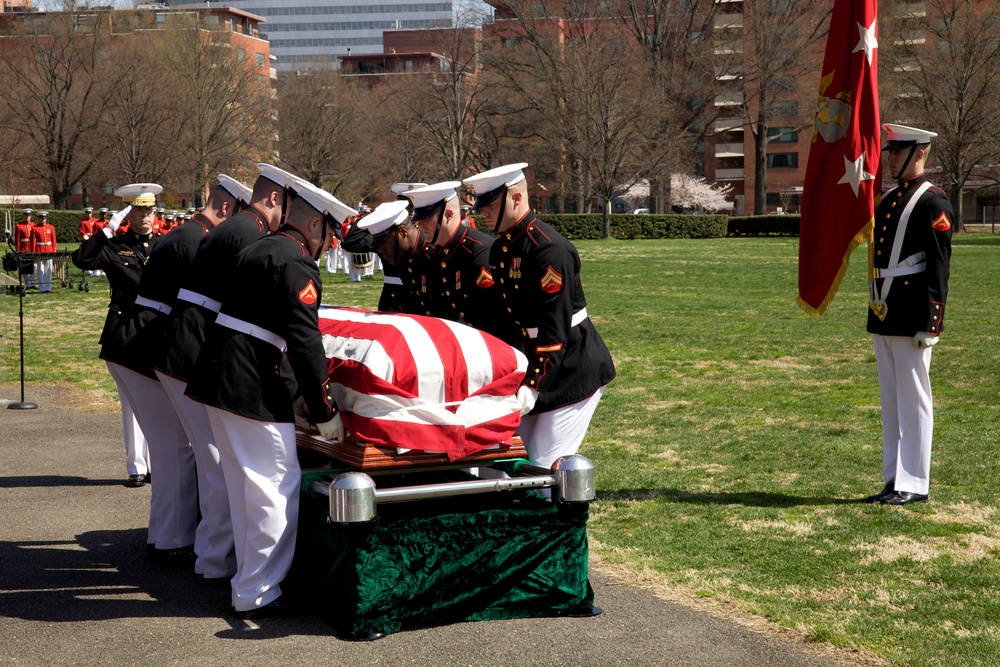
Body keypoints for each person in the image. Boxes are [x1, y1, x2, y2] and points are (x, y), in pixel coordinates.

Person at [186, 177, 355, 619]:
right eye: (329, 234)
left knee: (245, 488)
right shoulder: (296, 262)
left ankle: (246, 578)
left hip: (218, 378)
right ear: (315, 225)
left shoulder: (258, 247)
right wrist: (324, 410)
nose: (327, 244)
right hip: (253, 384)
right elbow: (305, 342)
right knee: (273, 489)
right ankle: (258, 592)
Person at [154, 164, 293, 583]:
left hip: (182, 347)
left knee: (212, 458)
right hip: (191, 351)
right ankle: (215, 560)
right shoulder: (250, 233)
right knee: (216, 462)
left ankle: (212, 555)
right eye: (287, 206)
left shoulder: (237, 228)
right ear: (272, 199)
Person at [107, 176, 250, 565]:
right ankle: (175, 539)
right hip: (142, 347)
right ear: (225, 209)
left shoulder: (185, 234)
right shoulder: (197, 241)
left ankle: (165, 534)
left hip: (130, 343)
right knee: (179, 449)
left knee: (169, 449)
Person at [463, 163, 616, 468]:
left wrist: (534, 384)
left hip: (572, 365)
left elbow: (554, 328)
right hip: (537, 361)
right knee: (510, 454)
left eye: (490, 205)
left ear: (516, 199)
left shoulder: (547, 250)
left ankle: (555, 513)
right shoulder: (503, 248)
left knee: (544, 464)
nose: (483, 214)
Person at [863, 124, 953, 506]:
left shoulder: (933, 201)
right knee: (891, 400)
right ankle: (893, 478)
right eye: (889, 152)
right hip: (885, 309)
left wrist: (931, 323)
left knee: (914, 399)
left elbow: (938, 266)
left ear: (920, 153)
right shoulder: (889, 198)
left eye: (898, 152)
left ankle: (914, 482)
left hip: (912, 311)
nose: (890, 158)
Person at [72, 187, 158, 488]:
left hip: (158, 331)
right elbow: (82, 260)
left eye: (149, 210)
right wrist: (106, 230)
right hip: (124, 330)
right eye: (138, 210)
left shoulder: (163, 245)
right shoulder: (115, 245)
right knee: (133, 402)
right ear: (128, 214)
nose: (145, 215)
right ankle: (137, 466)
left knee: (161, 403)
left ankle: (158, 462)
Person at [402, 181, 512, 340]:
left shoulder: (479, 251)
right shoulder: (436, 254)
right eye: (419, 218)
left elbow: (493, 313)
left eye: (427, 217)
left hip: (491, 343)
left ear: (449, 215)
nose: (420, 224)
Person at [30, 211, 57, 293]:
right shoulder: (34, 228)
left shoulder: (51, 227)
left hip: (48, 249)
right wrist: (34, 252)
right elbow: (32, 241)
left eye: (44, 218)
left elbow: (53, 239)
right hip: (39, 249)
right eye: (41, 218)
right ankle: (42, 288)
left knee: (48, 270)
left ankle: (48, 287)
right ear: (38, 218)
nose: (43, 219)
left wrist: (54, 250)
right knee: (40, 270)